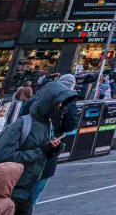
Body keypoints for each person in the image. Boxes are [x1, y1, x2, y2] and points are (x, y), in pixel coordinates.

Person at [0, 76, 76, 215]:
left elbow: (42, 152)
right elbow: (4, 156)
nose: (63, 110)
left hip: (28, 187)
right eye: (59, 105)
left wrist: (54, 150)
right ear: (49, 102)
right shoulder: (21, 124)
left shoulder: (48, 125)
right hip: (12, 188)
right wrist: (41, 151)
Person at [29, 75, 79, 205]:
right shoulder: (68, 101)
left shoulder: (39, 96)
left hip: (28, 142)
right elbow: (70, 124)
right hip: (50, 143)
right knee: (35, 189)